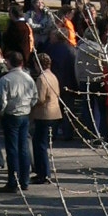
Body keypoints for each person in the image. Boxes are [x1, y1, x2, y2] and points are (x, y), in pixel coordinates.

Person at [0, 50, 38, 194]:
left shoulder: (5, 80)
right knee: (23, 148)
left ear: (9, 62)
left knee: (12, 150)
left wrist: (0, 113)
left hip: (11, 115)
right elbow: (35, 97)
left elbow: (1, 101)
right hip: (24, 114)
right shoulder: (28, 79)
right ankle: (24, 180)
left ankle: (13, 182)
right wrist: (27, 106)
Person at [30, 52, 61, 183]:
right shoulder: (53, 76)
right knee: (43, 144)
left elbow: (40, 98)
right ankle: (43, 173)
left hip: (44, 114)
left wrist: (30, 101)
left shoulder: (42, 78)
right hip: (55, 113)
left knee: (39, 145)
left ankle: (43, 174)